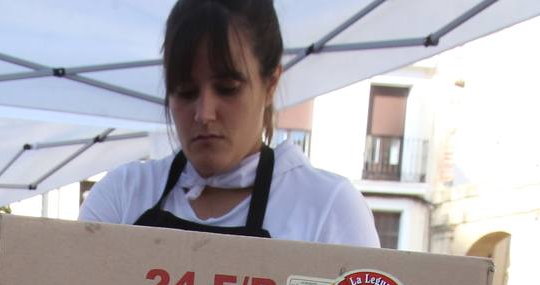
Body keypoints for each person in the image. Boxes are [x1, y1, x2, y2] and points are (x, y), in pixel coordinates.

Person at [80, 0, 378, 247]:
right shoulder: (123, 195)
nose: (204, 113)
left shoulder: (328, 209)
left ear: (270, 83)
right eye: (185, 91)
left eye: (227, 88)